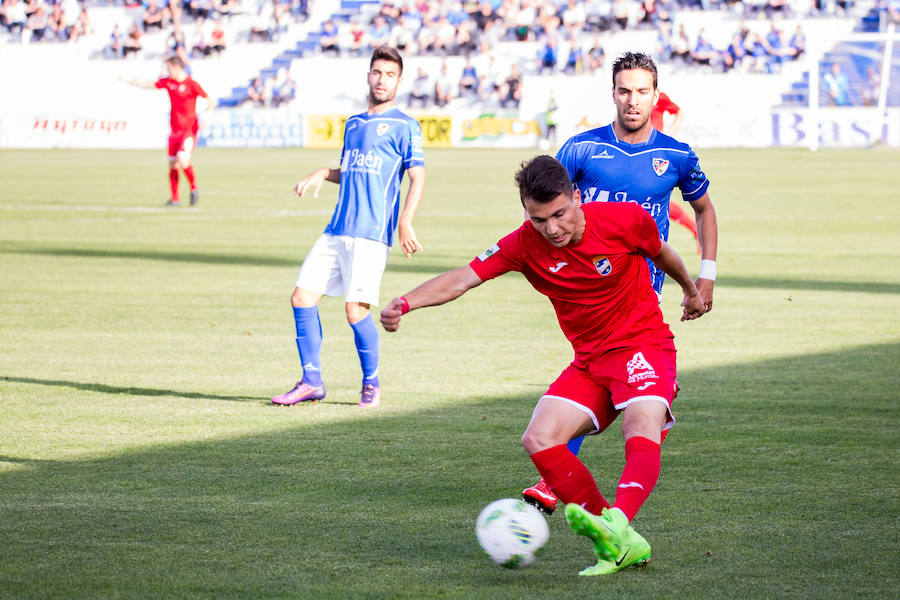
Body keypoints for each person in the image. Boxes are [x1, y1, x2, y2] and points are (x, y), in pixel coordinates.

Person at [380, 154, 707, 576]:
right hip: (590, 361)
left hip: (642, 345)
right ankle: (614, 540)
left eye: (559, 214)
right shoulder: (522, 244)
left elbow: (663, 254)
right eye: (539, 220)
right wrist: (406, 302)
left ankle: (618, 523)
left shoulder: (624, 220)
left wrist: (691, 291)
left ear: (576, 197)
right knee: (539, 437)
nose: (552, 229)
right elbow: (464, 277)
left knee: (640, 423)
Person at [522, 52, 718, 515]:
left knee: (609, 374)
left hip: (643, 291)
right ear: (612, 94)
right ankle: (565, 467)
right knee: (595, 376)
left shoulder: (675, 156)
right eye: (624, 91)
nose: (632, 100)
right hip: (590, 287)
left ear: (656, 95)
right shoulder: (580, 149)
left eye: (642, 91)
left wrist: (704, 276)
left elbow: (705, 209)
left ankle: (555, 479)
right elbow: (543, 209)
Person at [271, 45, 425, 409]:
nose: (382, 79)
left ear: (399, 81)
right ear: (368, 75)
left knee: (355, 310)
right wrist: (324, 173)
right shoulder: (354, 124)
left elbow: (417, 177)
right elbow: (353, 170)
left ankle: (371, 384)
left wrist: (405, 221)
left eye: (390, 74)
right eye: (377, 72)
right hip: (337, 228)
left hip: (371, 232)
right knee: (301, 297)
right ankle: (311, 381)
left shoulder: (405, 125)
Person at [120, 55, 210, 207]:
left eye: (168, 68)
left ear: (177, 67)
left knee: (183, 159)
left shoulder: (191, 84)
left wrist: (207, 117)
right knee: (173, 164)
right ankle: (175, 199)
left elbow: (209, 99)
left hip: (189, 130)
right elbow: (148, 84)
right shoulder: (169, 82)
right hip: (174, 131)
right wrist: (127, 80)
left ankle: (194, 187)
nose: (167, 71)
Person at [650, 90, 698, 246]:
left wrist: (669, 134)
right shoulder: (631, 97)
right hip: (636, 150)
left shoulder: (658, 96)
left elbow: (679, 112)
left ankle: (694, 229)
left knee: (655, 196)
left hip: (655, 152)